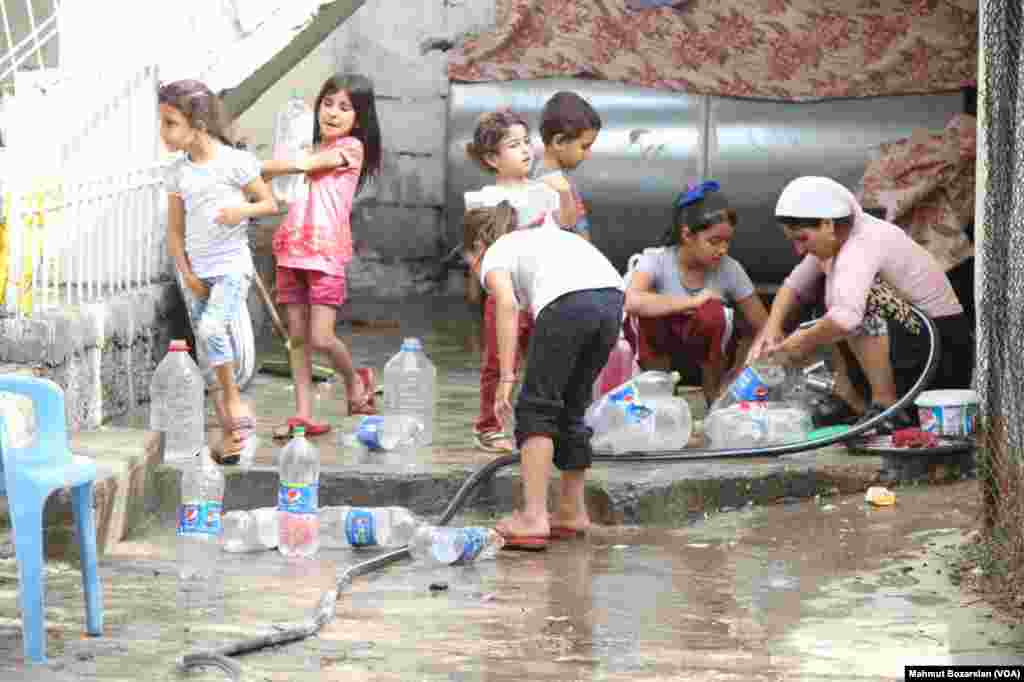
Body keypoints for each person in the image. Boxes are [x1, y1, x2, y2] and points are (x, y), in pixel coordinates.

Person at [750, 176, 971, 431]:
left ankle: (886, 407)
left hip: (940, 351)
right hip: (906, 341)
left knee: (852, 306)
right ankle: (855, 399)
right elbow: (794, 286)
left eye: (802, 239)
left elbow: (845, 320)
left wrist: (797, 344)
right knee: (828, 303)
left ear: (828, 224)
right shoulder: (838, 240)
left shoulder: (863, 244)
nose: (798, 250)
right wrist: (771, 329)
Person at [462, 201, 625, 549]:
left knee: (536, 408)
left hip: (567, 302)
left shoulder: (495, 254)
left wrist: (507, 377)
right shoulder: (541, 238)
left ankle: (533, 517)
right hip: (612, 299)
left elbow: (506, 305)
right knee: (572, 407)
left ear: (476, 247)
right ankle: (571, 511)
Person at [160, 79, 279, 465]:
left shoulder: (235, 163)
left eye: (170, 123)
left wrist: (240, 211)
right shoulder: (177, 173)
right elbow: (175, 232)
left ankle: (234, 399)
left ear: (197, 125)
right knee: (207, 355)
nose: (163, 132)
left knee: (212, 330)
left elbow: (269, 204)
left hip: (231, 269)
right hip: (196, 273)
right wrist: (186, 273)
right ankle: (230, 437)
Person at [270, 73, 383, 439]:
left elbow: (305, 166)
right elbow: (286, 185)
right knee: (297, 338)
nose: (333, 112)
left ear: (359, 117)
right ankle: (304, 414)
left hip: (324, 254)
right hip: (291, 250)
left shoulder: (350, 148)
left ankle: (355, 378)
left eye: (345, 107)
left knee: (321, 338)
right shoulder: (307, 144)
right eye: (328, 103)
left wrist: (255, 166)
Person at [464, 110, 574, 454]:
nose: (526, 149)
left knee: (547, 361)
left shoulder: (545, 192)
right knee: (499, 363)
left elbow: (567, 223)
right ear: (492, 158)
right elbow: (475, 252)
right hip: (504, 295)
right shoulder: (483, 199)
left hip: (542, 294)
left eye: (527, 141)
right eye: (514, 145)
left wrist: (565, 194)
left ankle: (542, 424)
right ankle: (489, 426)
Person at [624, 181, 769, 403]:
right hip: (659, 359)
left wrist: (742, 369)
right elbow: (631, 301)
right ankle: (661, 396)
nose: (723, 250)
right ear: (687, 235)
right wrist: (692, 302)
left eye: (727, 241)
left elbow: (765, 327)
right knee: (645, 312)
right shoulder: (656, 260)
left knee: (716, 314)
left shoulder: (729, 268)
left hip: (710, 364)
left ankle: (715, 396)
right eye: (714, 241)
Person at [532, 91, 602, 241]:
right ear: (559, 142)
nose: (588, 155)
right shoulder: (547, 185)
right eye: (584, 146)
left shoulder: (559, 176)